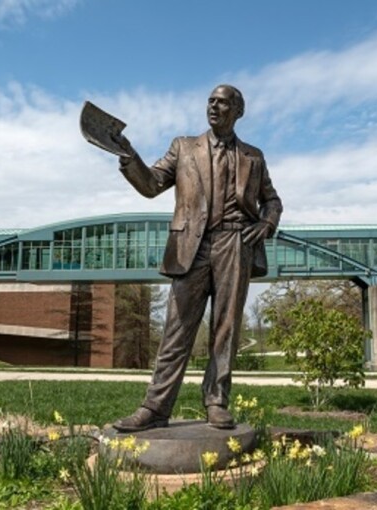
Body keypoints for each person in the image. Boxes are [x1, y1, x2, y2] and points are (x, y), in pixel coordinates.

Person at [109, 84, 283, 431]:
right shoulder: (184, 147)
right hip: (192, 245)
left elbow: (273, 201)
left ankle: (217, 400)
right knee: (177, 329)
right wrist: (129, 156)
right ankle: (155, 408)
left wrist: (266, 223)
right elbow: (152, 184)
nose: (214, 107)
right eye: (211, 101)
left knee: (227, 328)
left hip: (235, 243)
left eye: (222, 103)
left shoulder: (253, 156)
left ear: (238, 111)